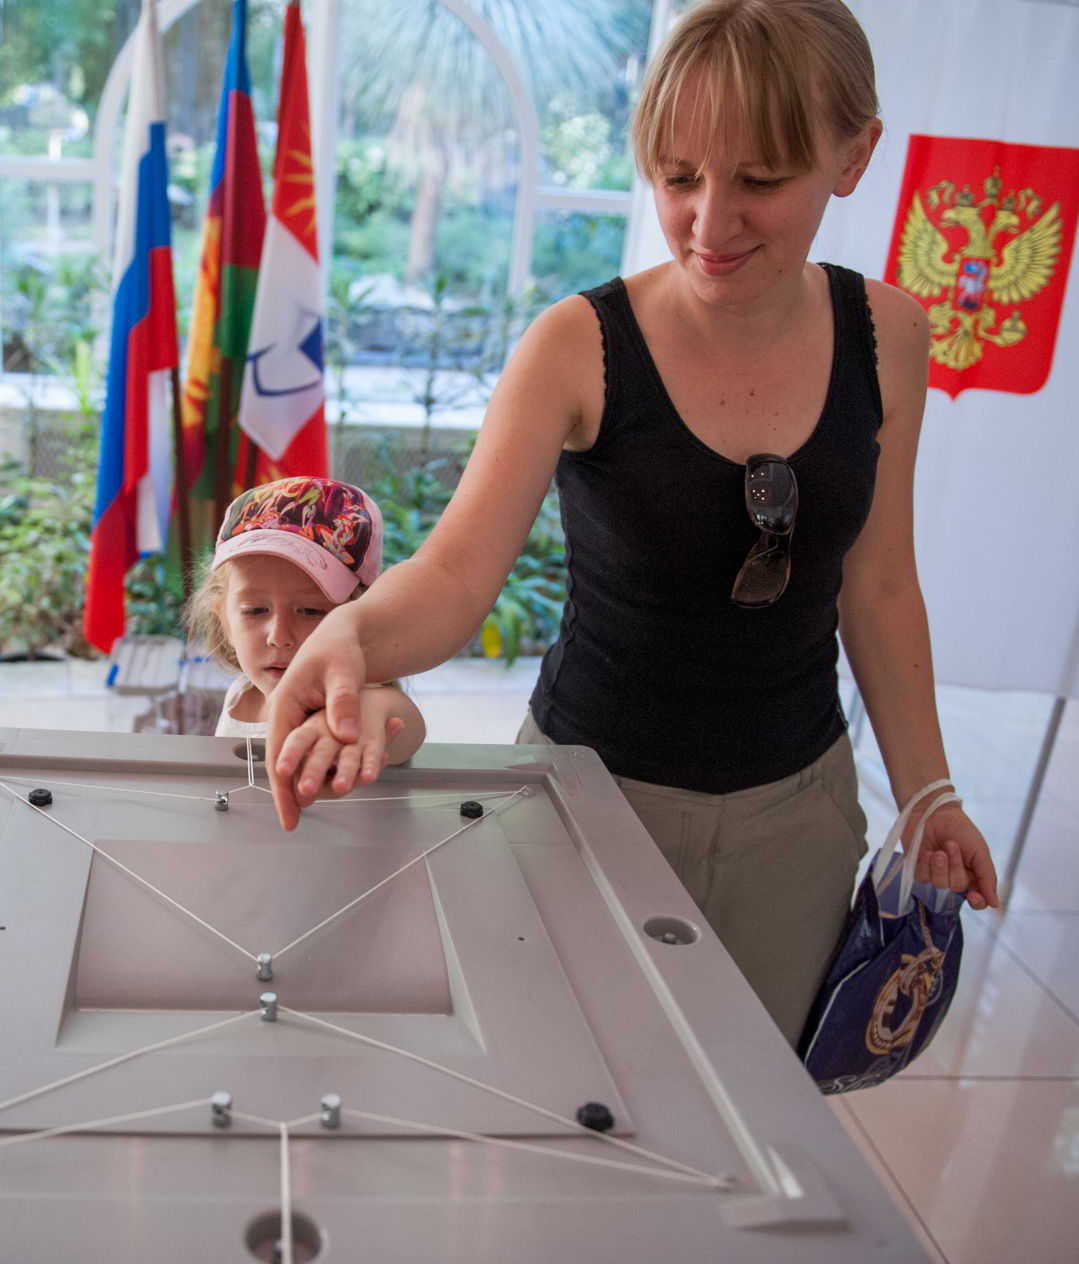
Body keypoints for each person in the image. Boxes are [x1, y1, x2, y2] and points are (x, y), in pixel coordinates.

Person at [264, 0, 999, 1044]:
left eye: (760, 180)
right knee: (561, 1078)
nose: (709, 222)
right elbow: (458, 575)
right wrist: (351, 633)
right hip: (588, 798)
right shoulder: (575, 346)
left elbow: (878, 585)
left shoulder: (891, 335)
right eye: (678, 176)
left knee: (750, 1092)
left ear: (854, 155)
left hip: (797, 817)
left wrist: (928, 795)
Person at [187, 476, 425, 790]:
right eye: (255, 610)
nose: (278, 636)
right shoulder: (241, 695)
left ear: (360, 620)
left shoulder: (357, 700)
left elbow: (404, 726)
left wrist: (354, 720)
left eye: (311, 611)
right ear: (225, 622)